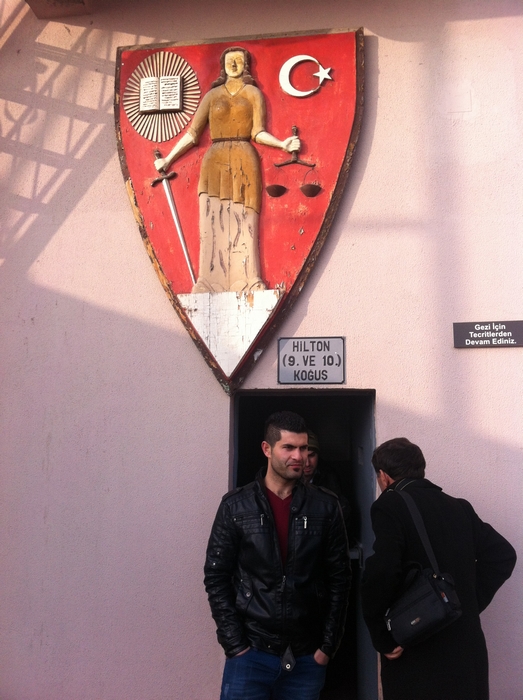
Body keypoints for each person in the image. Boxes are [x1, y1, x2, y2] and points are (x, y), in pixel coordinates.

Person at [204, 411, 351, 700]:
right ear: (267, 449)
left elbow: (340, 580)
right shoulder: (236, 506)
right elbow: (216, 576)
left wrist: (327, 646)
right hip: (251, 652)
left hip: (306, 655)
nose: (300, 457)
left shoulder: (325, 506)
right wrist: (236, 644)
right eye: (289, 448)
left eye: (304, 448)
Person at [361, 437, 517, 700]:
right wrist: (465, 602)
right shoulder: (459, 506)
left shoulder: (390, 504)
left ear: (384, 477)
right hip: (466, 650)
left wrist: (381, 637)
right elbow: (502, 555)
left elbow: (382, 573)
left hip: (419, 650)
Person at [155, 47, 300, 294]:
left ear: (246, 65)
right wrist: (168, 160)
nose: (234, 64)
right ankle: (209, 281)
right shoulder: (212, 96)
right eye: (230, 60)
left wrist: (282, 144)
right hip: (215, 159)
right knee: (212, 218)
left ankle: (248, 280)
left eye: (239, 60)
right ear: (223, 65)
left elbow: (258, 132)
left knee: (245, 218)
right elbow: (193, 134)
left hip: (245, 157)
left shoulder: (253, 93)